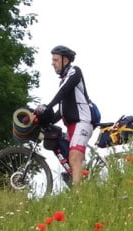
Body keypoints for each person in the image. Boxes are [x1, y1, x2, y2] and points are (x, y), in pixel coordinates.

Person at [35, 45, 94, 187]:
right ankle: (84, 185)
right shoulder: (63, 80)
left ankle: (78, 196)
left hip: (82, 122)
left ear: (65, 60)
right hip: (72, 126)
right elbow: (61, 112)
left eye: (55, 60)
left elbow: (64, 90)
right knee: (70, 157)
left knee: (74, 158)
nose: (52, 63)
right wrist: (46, 121)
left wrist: (47, 107)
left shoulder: (75, 71)